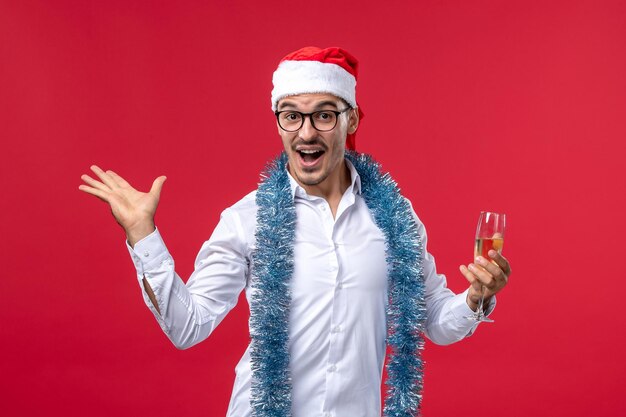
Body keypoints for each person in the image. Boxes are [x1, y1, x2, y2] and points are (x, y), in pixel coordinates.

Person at [79, 46, 511, 417]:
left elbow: (434, 320)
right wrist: (143, 235)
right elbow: (187, 326)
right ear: (278, 122)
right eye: (291, 116)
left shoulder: (396, 219)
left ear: (353, 119)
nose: (306, 132)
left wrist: (476, 298)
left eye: (324, 115)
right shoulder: (246, 219)